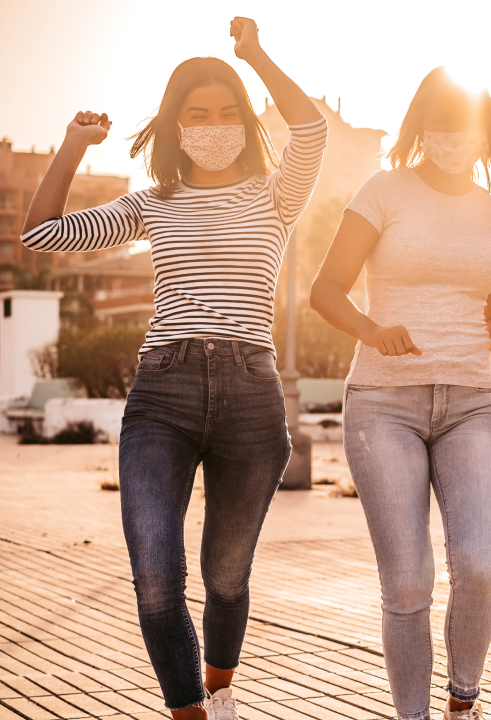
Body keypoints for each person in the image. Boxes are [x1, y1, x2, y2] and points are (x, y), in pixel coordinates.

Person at [19, 18, 325, 720]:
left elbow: (311, 132)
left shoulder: (276, 197)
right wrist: (72, 144)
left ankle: (221, 698)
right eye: (197, 115)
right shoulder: (152, 206)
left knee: (225, 578)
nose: (213, 126)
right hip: (165, 391)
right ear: (174, 126)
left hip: (252, 397)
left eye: (226, 113)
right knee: (158, 580)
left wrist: (256, 57)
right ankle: (191, 714)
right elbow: (41, 234)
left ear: (246, 124)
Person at [309, 67, 491, 720]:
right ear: (421, 128)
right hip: (383, 406)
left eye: (464, 127)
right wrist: (371, 328)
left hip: (473, 402)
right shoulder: (384, 190)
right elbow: (325, 290)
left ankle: (463, 702)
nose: (451, 139)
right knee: (409, 580)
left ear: (485, 135)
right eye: (439, 125)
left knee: (478, 564)